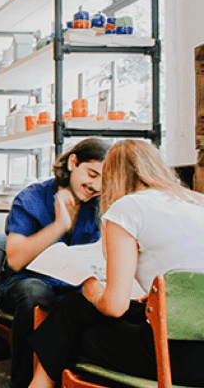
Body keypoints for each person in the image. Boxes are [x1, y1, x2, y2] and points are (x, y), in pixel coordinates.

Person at [27, 140, 204, 387]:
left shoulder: (128, 208)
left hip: (170, 356)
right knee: (73, 312)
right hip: (197, 352)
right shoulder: (198, 201)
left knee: (70, 321)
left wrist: (93, 290)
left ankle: (38, 384)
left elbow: (114, 307)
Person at [0, 138, 109, 388]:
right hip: (28, 283)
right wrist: (59, 225)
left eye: (105, 180)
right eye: (92, 174)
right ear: (73, 162)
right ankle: (24, 383)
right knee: (35, 293)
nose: (96, 186)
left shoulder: (100, 207)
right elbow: (15, 260)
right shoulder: (32, 197)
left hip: (78, 287)